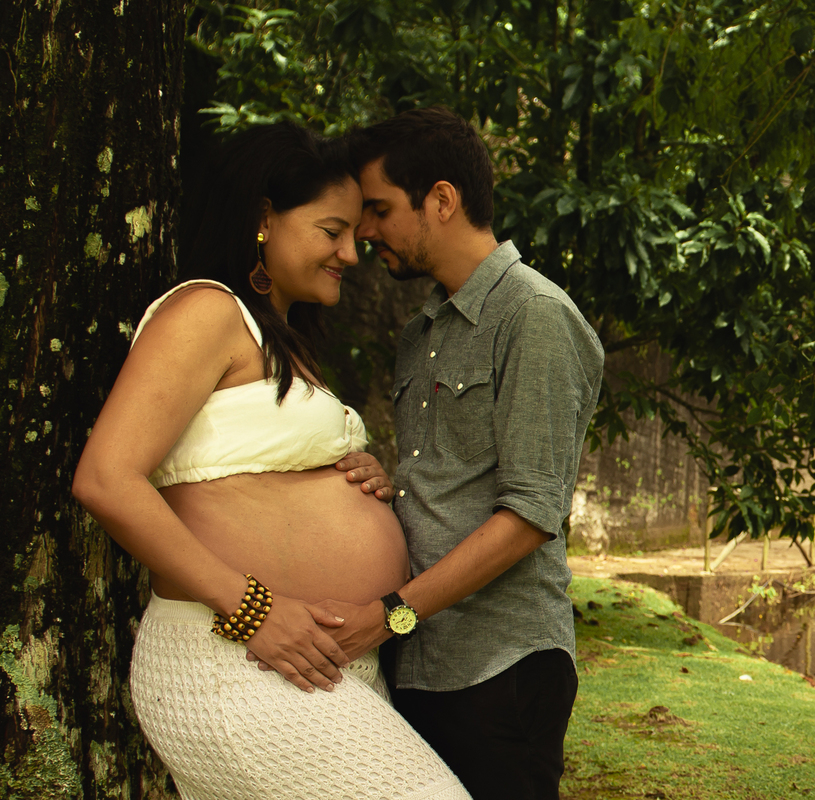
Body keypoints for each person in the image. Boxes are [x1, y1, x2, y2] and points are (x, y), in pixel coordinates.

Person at [72, 123, 469, 800]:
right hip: (234, 655)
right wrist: (252, 611)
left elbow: (248, 458)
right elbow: (106, 478)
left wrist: (356, 468)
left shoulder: (277, 336)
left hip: (310, 661)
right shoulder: (207, 311)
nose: (351, 251)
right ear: (263, 219)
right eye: (331, 230)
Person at [321, 107, 606, 800]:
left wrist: (390, 613)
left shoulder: (534, 315)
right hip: (419, 665)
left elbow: (530, 515)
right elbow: (451, 482)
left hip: (501, 668)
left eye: (380, 210)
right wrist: (385, 488)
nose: (364, 233)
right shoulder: (423, 333)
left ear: (441, 200)